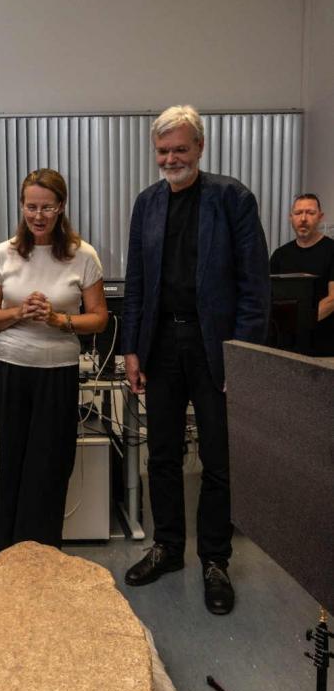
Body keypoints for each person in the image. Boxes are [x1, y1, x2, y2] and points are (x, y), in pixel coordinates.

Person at [121, 106, 270, 615]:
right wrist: (132, 348)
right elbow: (137, 282)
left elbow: (255, 285)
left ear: (200, 148)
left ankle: (215, 559)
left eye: (180, 149)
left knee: (218, 460)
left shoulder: (232, 199)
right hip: (162, 345)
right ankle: (167, 547)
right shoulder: (147, 203)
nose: (170, 159)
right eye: (162, 151)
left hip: (215, 348)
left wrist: (242, 355)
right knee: (160, 453)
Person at [0, 168, 108, 553]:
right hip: (13, 370)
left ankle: (44, 556)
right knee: (13, 464)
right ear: (21, 207)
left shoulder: (82, 256)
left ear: (61, 207)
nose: (38, 215)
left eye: (47, 207)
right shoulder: (3, 253)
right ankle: (9, 554)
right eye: (31, 206)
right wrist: (19, 313)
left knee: (50, 467)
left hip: (58, 373)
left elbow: (99, 317)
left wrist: (58, 320)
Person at [270, 193, 334, 356]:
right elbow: (270, 296)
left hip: (324, 347)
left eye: (310, 213)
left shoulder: (331, 250)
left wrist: (301, 324)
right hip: (286, 346)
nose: (303, 218)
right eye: (298, 213)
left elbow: (332, 299)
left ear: (320, 217)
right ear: (291, 217)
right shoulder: (280, 255)